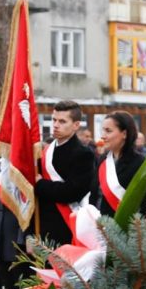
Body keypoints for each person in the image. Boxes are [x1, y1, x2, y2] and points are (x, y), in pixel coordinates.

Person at [34, 100, 95, 245]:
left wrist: (41, 184)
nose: (55, 125)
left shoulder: (83, 154)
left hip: (65, 227)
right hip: (40, 227)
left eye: (62, 121)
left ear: (76, 125)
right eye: (54, 120)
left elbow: (71, 192)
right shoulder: (45, 150)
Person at [90, 110, 144, 216]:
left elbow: (145, 203)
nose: (103, 136)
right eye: (103, 131)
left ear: (124, 133)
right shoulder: (102, 159)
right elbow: (94, 195)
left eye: (108, 131)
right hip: (97, 225)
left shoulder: (140, 163)